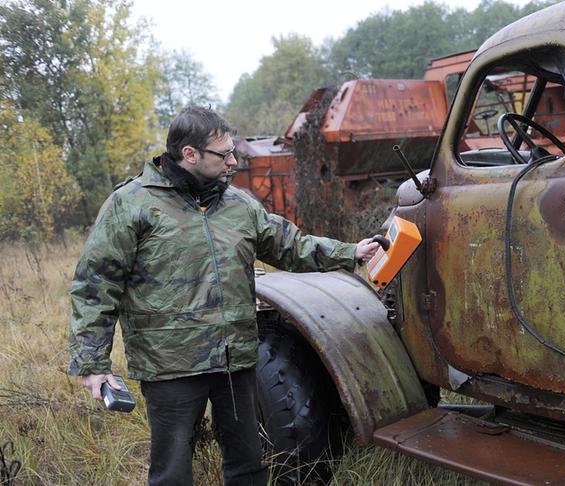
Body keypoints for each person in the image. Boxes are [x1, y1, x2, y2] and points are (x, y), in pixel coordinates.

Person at [67, 106, 379, 485]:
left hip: (235, 362)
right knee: (172, 472)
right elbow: (96, 283)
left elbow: (290, 246)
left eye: (233, 151)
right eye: (224, 154)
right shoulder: (131, 204)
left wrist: (352, 252)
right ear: (190, 154)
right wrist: (92, 362)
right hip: (171, 368)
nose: (234, 161)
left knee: (248, 466)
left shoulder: (239, 205)